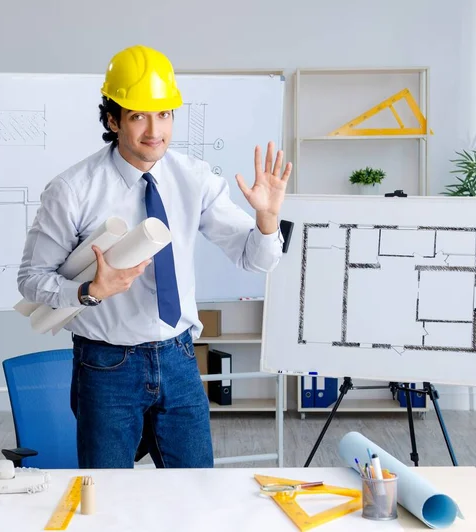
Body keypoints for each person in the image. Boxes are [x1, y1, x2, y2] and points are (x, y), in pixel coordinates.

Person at [17, 44, 292, 469]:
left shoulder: (194, 178)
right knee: (106, 499)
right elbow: (31, 279)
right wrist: (90, 290)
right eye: (138, 115)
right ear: (113, 119)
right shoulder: (72, 190)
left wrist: (268, 219)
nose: (153, 130)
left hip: (179, 358)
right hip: (107, 364)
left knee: (197, 492)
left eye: (163, 114)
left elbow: (255, 260)